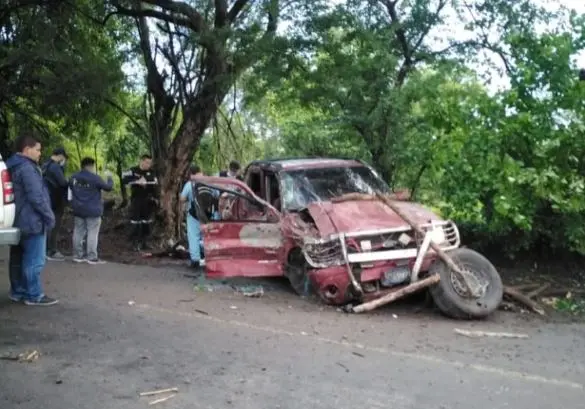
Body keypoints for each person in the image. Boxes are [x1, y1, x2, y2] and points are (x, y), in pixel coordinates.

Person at [6, 134, 57, 306]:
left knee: (17, 258)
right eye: (37, 150)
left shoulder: (11, 166)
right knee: (34, 260)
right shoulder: (27, 168)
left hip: (16, 219)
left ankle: (17, 291)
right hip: (32, 220)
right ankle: (33, 294)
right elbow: (36, 197)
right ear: (27, 150)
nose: (39, 153)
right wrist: (49, 216)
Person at [68, 157, 113, 264]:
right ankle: (92, 257)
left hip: (78, 209)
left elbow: (69, 190)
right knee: (92, 233)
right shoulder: (95, 178)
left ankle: (77, 255)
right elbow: (108, 187)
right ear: (91, 166)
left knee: (78, 232)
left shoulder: (73, 177)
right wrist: (110, 178)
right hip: (93, 210)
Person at [121, 154, 158, 251]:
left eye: (150, 163)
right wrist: (137, 181)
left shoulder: (151, 172)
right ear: (141, 161)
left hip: (147, 200)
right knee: (135, 221)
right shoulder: (133, 170)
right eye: (146, 162)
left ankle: (145, 242)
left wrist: (154, 197)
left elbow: (154, 181)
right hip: (136, 199)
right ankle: (134, 243)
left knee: (146, 221)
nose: (148, 165)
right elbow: (124, 180)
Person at [42, 147, 68, 261]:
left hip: (46, 198)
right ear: (61, 155)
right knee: (54, 225)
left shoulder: (45, 165)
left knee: (47, 224)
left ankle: (45, 249)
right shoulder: (56, 167)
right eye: (64, 157)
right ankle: (51, 250)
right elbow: (62, 182)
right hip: (56, 199)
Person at [180, 165, 206, 269]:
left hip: (194, 215)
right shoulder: (210, 182)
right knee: (207, 237)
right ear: (201, 171)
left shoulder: (190, 184)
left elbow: (182, 199)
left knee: (193, 237)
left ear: (191, 174)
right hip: (208, 216)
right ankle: (208, 257)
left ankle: (195, 260)